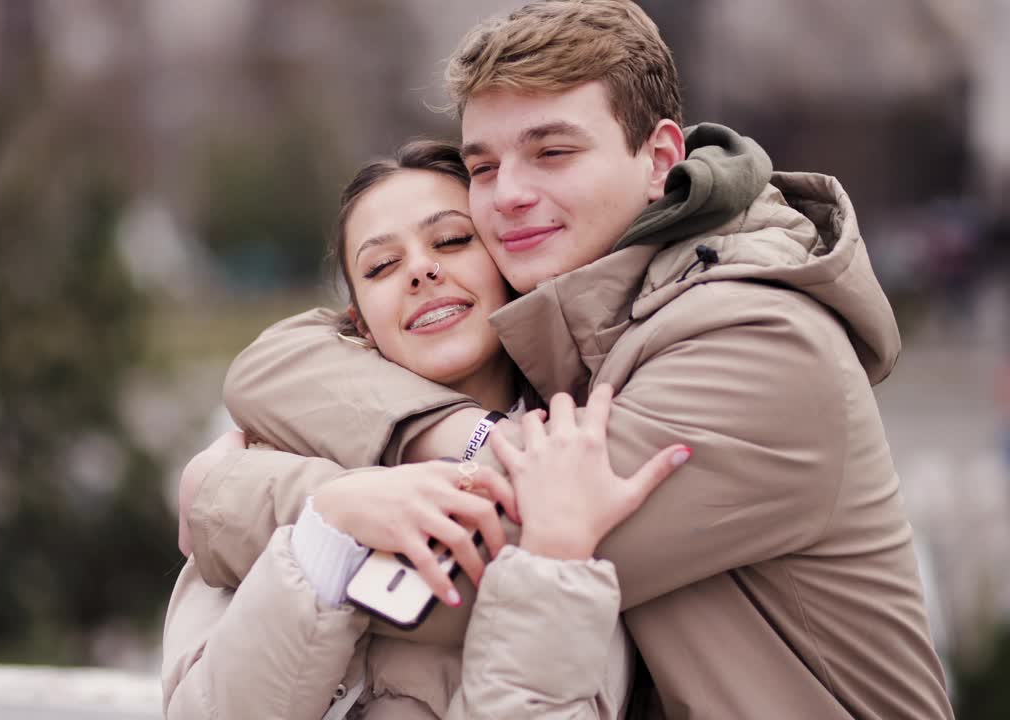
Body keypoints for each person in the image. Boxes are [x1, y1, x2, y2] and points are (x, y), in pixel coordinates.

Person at [181, 1, 955, 718]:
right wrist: (452, 434)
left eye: (551, 150)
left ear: (659, 159)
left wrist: (233, 492)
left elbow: (447, 579)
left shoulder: (757, 340)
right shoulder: (584, 321)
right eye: (483, 167)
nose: (509, 194)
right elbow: (280, 355)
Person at [161, 141, 688, 719]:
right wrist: (327, 532)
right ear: (359, 323)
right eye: (382, 266)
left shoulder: (574, 467)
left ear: (507, 261)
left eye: (453, 240)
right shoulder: (271, 468)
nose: (421, 270)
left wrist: (549, 562)